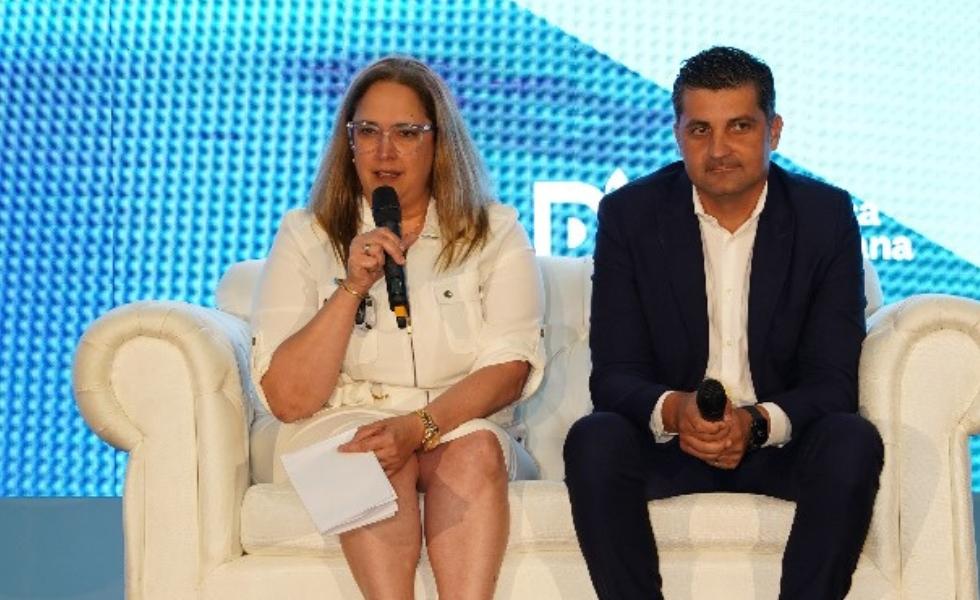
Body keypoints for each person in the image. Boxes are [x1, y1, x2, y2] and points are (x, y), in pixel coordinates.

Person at [563, 46, 884, 600]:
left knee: (851, 440)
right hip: (671, 447)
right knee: (594, 439)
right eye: (699, 130)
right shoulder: (631, 215)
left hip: (778, 444)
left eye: (739, 126)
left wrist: (754, 424)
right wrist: (677, 411)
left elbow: (834, 381)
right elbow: (614, 376)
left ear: (773, 130)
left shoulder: (824, 216)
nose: (718, 150)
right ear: (677, 134)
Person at [248, 56, 545, 599]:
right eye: (368, 132)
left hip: (459, 421)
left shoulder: (494, 231)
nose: (385, 152)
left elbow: (510, 367)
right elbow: (288, 399)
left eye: (406, 133)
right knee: (365, 451)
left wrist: (417, 428)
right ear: (349, 142)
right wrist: (352, 287)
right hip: (344, 420)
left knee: (474, 451)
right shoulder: (306, 235)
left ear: (438, 143)